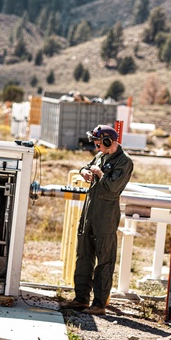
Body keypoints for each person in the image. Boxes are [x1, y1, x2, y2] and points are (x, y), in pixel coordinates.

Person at [59, 124, 134, 316]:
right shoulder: (101, 156)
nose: (97, 147)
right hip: (90, 211)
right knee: (83, 255)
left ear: (109, 141)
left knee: (104, 260)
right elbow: (88, 165)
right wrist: (84, 171)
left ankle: (100, 303)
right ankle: (81, 298)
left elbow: (112, 187)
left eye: (99, 143)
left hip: (106, 215)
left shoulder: (124, 162)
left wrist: (99, 174)